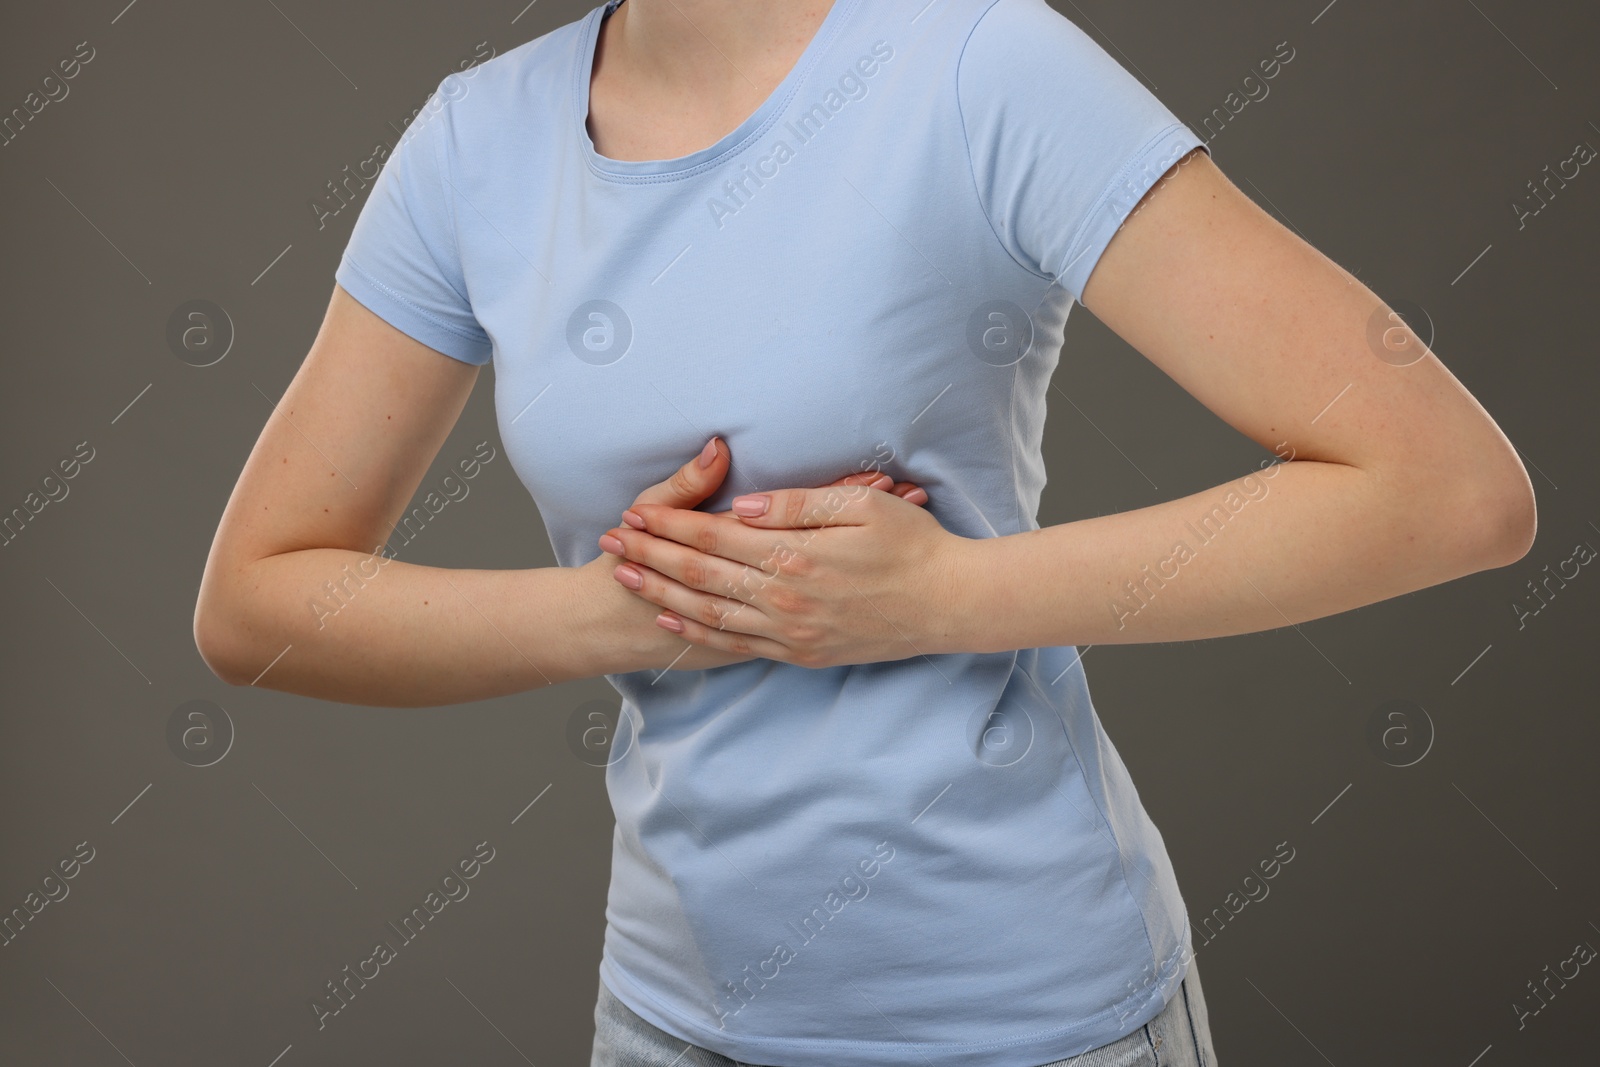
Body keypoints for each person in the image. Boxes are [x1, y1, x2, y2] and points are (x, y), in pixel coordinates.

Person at [193, 0, 1536, 1064]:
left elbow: (1445, 491)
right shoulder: (474, 142)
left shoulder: (980, 67)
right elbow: (256, 604)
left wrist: (943, 599)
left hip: (1025, 1031)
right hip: (672, 1019)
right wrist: (628, 612)